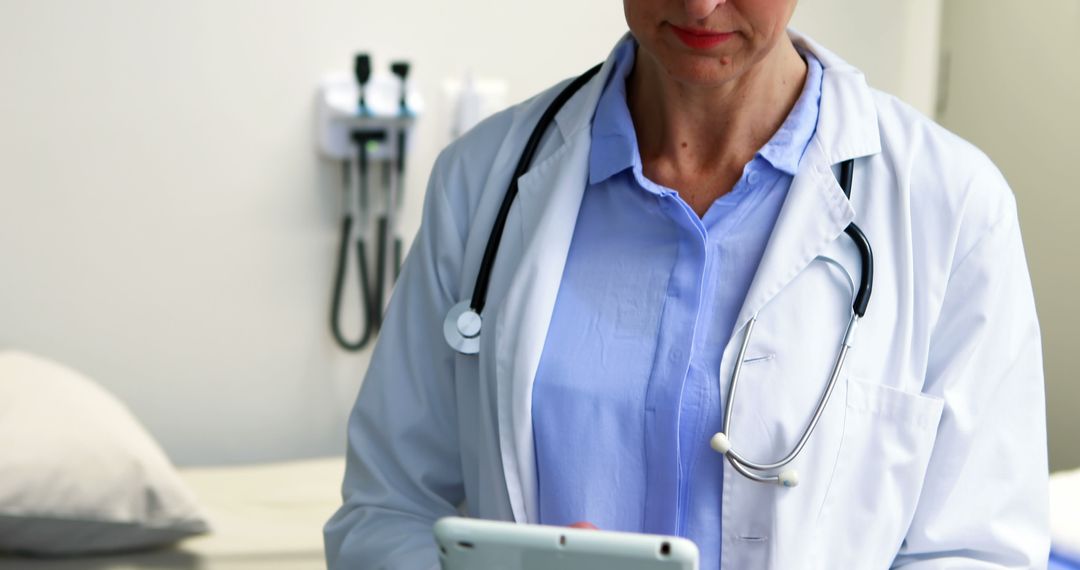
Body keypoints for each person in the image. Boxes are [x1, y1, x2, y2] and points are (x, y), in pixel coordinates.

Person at [324, 1, 1050, 568]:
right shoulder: (481, 181)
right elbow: (387, 509)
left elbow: (979, 549)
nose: (701, 6)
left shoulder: (951, 206)